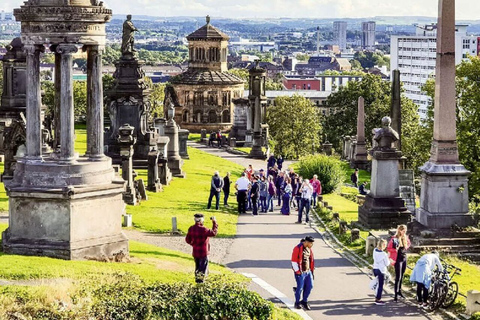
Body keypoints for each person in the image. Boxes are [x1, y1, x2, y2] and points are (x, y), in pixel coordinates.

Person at [185, 214, 218, 283]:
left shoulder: (191, 228)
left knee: (197, 268)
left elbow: (187, 240)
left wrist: (193, 244)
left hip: (195, 252)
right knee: (203, 269)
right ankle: (201, 283)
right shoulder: (204, 229)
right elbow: (214, 233)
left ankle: (197, 281)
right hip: (203, 252)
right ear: (201, 220)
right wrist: (214, 222)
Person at [387, 224, 411, 302]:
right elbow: (389, 248)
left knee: (402, 275)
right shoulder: (394, 239)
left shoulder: (405, 237)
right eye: (403, 231)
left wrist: (406, 246)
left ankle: (399, 291)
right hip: (397, 259)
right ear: (400, 230)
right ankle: (396, 294)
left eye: (405, 231)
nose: (404, 232)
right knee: (398, 277)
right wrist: (395, 250)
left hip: (404, 258)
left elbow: (409, 244)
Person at [291, 236, 315, 310]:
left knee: (310, 286)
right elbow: (294, 261)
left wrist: (312, 270)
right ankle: (297, 302)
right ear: (306, 242)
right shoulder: (297, 248)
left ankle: (304, 301)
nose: (312, 245)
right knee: (300, 288)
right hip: (300, 272)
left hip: (308, 272)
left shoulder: (309, 249)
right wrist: (298, 271)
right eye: (311, 243)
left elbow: (311, 259)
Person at [372, 239, 390, 306]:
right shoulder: (384, 254)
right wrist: (388, 257)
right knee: (380, 285)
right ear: (384, 245)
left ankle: (376, 296)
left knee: (378, 283)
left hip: (375, 269)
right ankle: (378, 299)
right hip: (381, 270)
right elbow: (387, 263)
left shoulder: (374, 251)